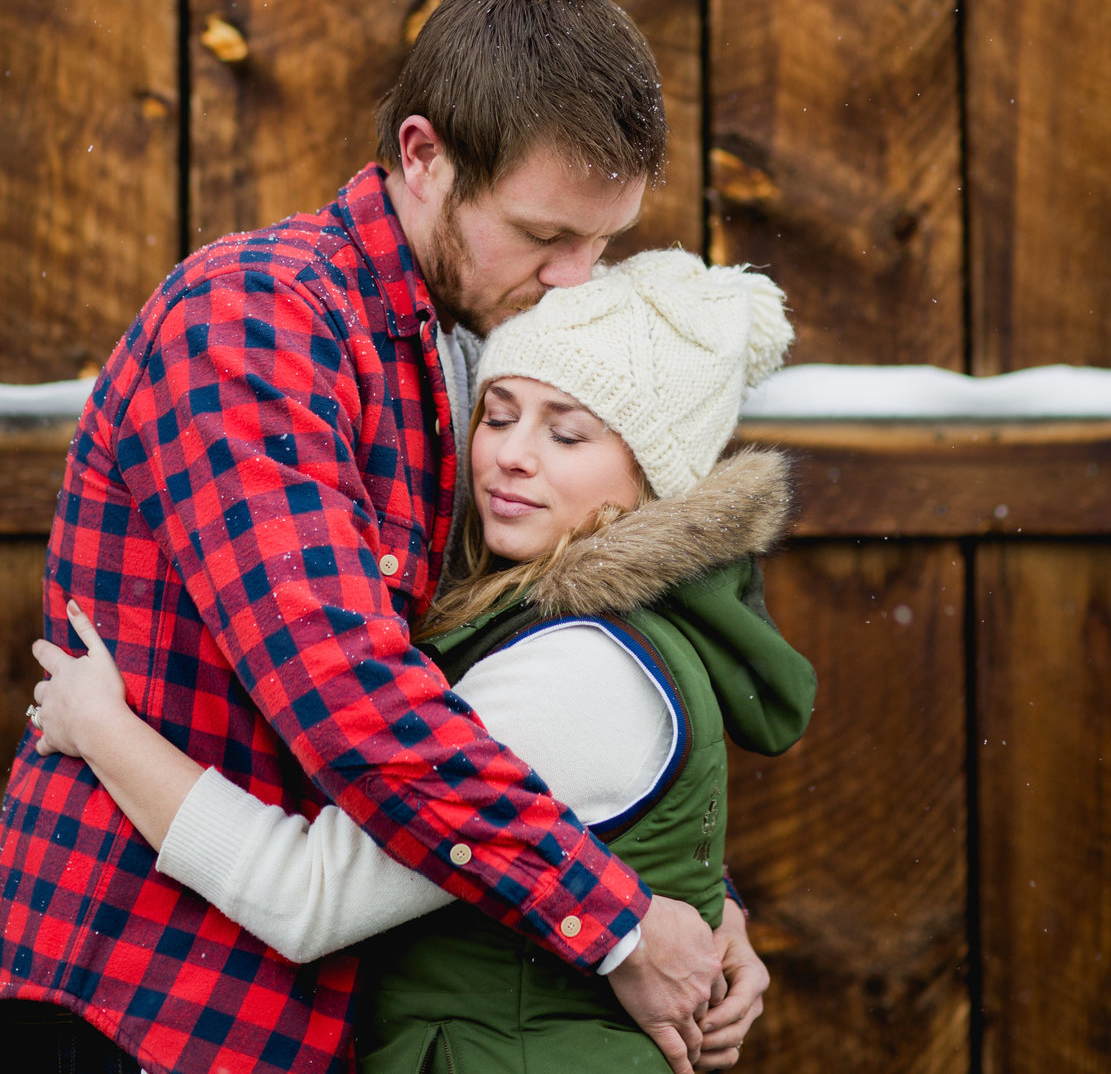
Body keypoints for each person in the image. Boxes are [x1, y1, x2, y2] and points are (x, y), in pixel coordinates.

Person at [0, 0, 767, 1074]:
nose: (572, 283)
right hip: (140, 998)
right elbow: (351, 699)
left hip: (323, 1010)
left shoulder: (486, 356)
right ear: (423, 156)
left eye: (600, 244)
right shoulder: (256, 324)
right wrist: (620, 924)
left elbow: (506, 696)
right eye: (545, 235)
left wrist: (681, 886)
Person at [29, 250, 817, 1074]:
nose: (513, 453)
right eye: (500, 413)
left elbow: (307, 894)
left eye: (568, 431)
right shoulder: (578, 618)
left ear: (657, 478)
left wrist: (100, 726)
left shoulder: (580, 665)